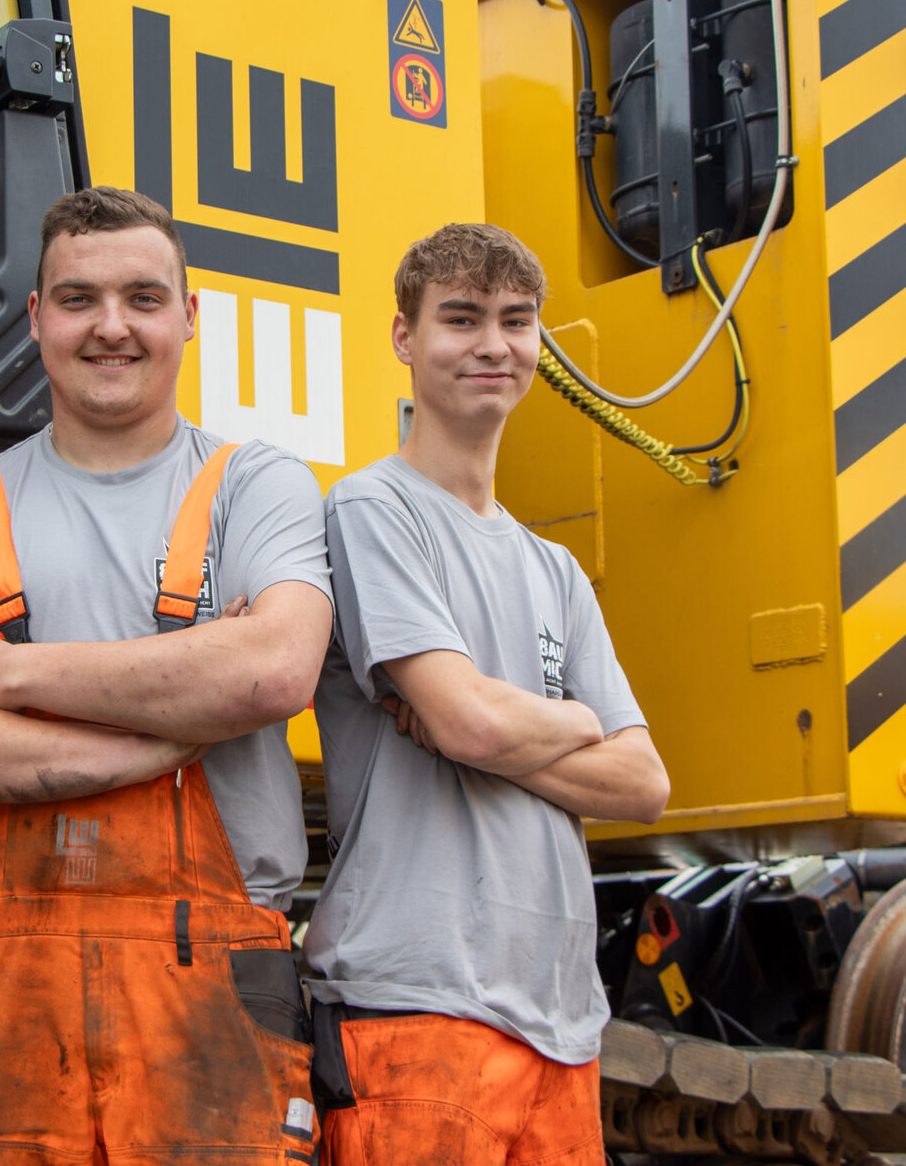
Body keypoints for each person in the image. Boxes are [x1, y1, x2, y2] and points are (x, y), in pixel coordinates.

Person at [0, 186, 334, 1162]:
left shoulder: (258, 484)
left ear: (190, 317)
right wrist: (168, 731)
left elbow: (273, 669)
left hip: (212, 992)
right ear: (36, 319)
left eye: (144, 298)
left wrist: (6, 676)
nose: (111, 327)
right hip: (0, 990)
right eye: (78, 299)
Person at [304, 223, 670, 1165]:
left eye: (515, 321)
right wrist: (574, 721)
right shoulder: (371, 508)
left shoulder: (556, 571)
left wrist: (506, 730)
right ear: (404, 337)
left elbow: (644, 784)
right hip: (417, 1004)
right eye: (460, 318)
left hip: (561, 1024)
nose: (492, 345)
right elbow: (467, 720)